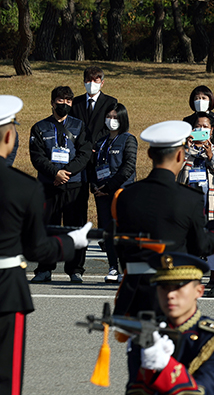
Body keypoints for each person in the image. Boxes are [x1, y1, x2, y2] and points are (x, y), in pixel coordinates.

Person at [113, 121, 214, 317]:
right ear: (180, 155)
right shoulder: (189, 199)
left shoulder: (125, 195)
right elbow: (201, 246)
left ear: (150, 155)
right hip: (170, 295)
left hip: (133, 295)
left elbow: (120, 244)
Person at [0, 95, 90, 395]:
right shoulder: (24, 188)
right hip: (6, 289)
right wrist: (71, 242)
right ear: (10, 135)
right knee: (5, 378)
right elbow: (37, 248)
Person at [125, 253, 214, 395]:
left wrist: (166, 367)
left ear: (199, 291)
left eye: (178, 287)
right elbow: (134, 390)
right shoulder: (147, 333)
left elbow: (204, 390)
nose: (170, 295)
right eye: (163, 287)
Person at [28, 86, 93, 283]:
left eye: (68, 101)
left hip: (75, 185)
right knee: (48, 227)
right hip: (49, 185)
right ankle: (45, 268)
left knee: (76, 228)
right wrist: (55, 172)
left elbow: (85, 153)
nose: (64, 104)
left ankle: (75, 269)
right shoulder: (39, 127)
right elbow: (37, 157)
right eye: (60, 100)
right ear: (52, 102)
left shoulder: (80, 126)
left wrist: (67, 172)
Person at [179, 112, 214, 293]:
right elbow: (177, 176)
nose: (202, 130)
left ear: (212, 130)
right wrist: (186, 150)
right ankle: (192, 276)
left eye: (206, 127)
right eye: (198, 127)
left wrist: (210, 157)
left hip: (212, 203)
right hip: (190, 203)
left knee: (213, 239)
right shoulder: (184, 151)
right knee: (190, 239)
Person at [92, 102, 137, 284]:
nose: (111, 121)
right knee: (107, 231)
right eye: (109, 117)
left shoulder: (128, 139)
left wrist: (109, 187)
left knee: (122, 231)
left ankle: (126, 268)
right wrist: (95, 186)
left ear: (123, 119)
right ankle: (112, 267)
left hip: (121, 192)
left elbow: (128, 168)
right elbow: (93, 167)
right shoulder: (101, 142)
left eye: (115, 117)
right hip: (102, 194)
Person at [70, 65, 118, 145]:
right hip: (79, 146)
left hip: (100, 146)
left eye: (96, 81)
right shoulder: (76, 102)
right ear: (84, 82)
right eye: (88, 80)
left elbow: (109, 126)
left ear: (102, 83)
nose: (92, 84)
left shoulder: (110, 102)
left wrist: (96, 143)